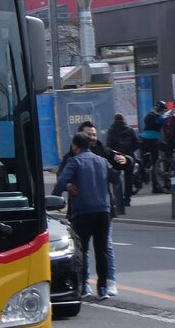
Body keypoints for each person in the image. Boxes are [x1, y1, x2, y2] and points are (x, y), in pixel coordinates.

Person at [52, 132, 113, 300]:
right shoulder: (101, 161)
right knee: (102, 251)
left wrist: (54, 199)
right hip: (103, 210)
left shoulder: (75, 161)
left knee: (82, 250)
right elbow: (115, 177)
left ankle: (85, 285)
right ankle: (103, 288)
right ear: (89, 145)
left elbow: (62, 180)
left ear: (75, 146)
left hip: (83, 211)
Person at [77, 120, 125, 295]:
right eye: (88, 134)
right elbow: (63, 175)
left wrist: (126, 159)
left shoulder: (104, 152)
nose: (92, 137)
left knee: (105, 246)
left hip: (103, 208)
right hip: (81, 210)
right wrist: (67, 186)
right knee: (84, 249)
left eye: (94, 134)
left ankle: (109, 282)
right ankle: (85, 283)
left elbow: (121, 164)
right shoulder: (72, 156)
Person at [105, 113, 138, 206]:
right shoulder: (130, 129)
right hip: (129, 156)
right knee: (128, 179)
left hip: (116, 157)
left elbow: (108, 145)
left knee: (116, 177)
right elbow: (136, 144)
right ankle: (127, 199)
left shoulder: (111, 131)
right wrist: (130, 151)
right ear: (124, 119)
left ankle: (118, 199)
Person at [140, 101, 165, 192]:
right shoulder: (160, 118)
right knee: (155, 162)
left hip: (144, 139)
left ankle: (142, 174)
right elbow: (164, 126)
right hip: (153, 140)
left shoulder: (147, 116)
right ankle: (155, 187)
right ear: (161, 110)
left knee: (146, 159)